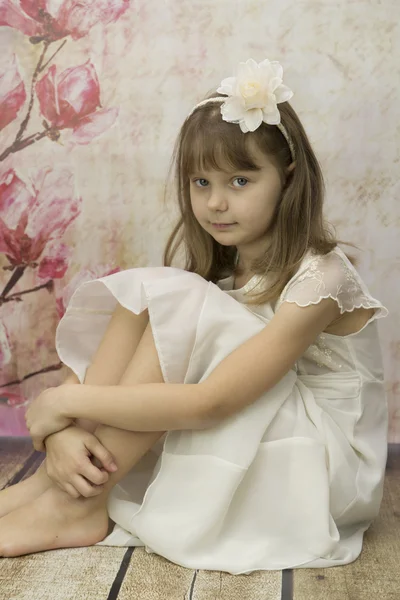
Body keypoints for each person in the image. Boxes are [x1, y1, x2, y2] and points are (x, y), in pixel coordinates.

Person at [0, 58, 388, 572]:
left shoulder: (322, 278)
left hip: (321, 469)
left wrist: (63, 399)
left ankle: (76, 503)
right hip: (262, 429)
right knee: (154, 293)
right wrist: (64, 432)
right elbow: (114, 361)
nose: (216, 204)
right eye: (201, 182)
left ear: (288, 179)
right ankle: (55, 484)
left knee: (177, 298)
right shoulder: (223, 269)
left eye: (240, 181)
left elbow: (211, 403)